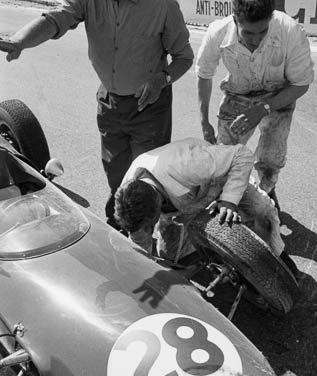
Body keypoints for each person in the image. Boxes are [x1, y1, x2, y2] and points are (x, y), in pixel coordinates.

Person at [0, 0, 194, 228]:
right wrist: (19, 41)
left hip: (149, 107)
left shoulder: (163, 6)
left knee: (145, 184)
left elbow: (184, 57)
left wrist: (162, 79)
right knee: (118, 179)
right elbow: (55, 20)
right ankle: (118, 230)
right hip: (110, 104)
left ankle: (144, 244)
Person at [114, 137, 297, 276]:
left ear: (156, 207)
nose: (147, 231)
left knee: (261, 212)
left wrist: (229, 200)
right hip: (180, 207)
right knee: (174, 262)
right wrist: (144, 269)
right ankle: (213, 254)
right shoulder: (129, 196)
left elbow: (242, 155)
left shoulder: (188, 164)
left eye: (149, 226)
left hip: (217, 182)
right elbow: (139, 237)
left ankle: (279, 259)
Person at [195, 0, 314, 196]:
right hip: (237, 93)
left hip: (278, 95)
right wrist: (204, 121)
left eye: (263, 31)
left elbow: (301, 84)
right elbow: (204, 75)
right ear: (235, 20)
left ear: (271, 18)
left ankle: (267, 192)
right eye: (249, 33)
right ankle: (227, 198)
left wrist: (264, 108)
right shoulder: (218, 32)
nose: (256, 39)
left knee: (271, 158)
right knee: (224, 155)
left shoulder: (291, 31)